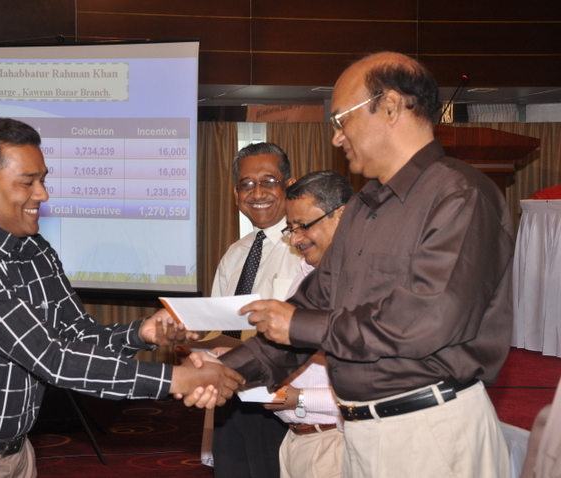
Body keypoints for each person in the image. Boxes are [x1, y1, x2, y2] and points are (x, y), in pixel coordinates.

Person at [200, 52, 515, 477]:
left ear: (390, 106)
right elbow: (313, 304)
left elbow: (427, 319)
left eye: (341, 120)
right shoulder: (365, 205)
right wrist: (225, 370)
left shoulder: (459, 195)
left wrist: (298, 324)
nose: (336, 138)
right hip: (360, 432)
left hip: (430, 431)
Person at [0, 117, 243, 478]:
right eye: (28, 182)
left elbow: (77, 336)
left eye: (42, 180)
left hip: (17, 452)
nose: (42, 194)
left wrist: (141, 334)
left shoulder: (36, 251)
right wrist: (176, 379)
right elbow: (52, 359)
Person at [206, 142, 302, 478]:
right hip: (231, 397)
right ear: (236, 194)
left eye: (268, 181)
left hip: (281, 400)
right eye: (246, 184)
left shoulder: (305, 249)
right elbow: (217, 326)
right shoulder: (234, 254)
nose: (257, 192)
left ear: (290, 185)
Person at [265, 171, 353, 478]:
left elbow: (371, 387)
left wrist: (301, 398)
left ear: (341, 215)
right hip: (294, 440)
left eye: (304, 226)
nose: (296, 239)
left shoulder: (360, 284)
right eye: (290, 229)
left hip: (333, 443)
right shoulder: (304, 276)